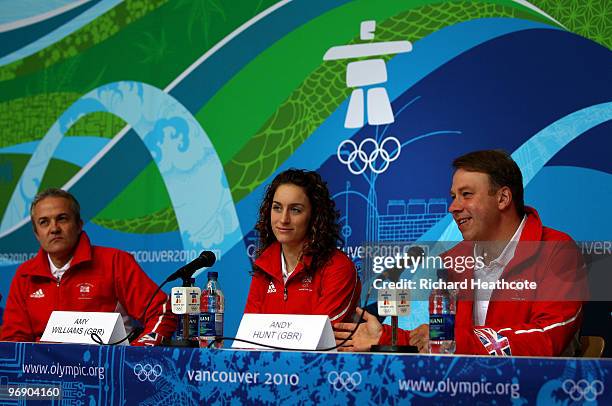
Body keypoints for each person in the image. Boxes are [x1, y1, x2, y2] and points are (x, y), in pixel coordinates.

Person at [335, 150, 585, 356]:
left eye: (466, 195)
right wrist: (386, 337)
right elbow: (442, 340)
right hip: (465, 388)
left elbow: (548, 337)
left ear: (503, 198)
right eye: (454, 197)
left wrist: (450, 338)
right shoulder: (453, 260)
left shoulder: (557, 251)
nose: (453, 207)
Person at [0, 188, 176, 345]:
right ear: (36, 233)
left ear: (79, 225)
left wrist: (134, 358)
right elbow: (13, 340)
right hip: (47, 375)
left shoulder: (115, 262)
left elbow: (162, 312)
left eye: (62, 219)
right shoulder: (25, 275)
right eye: (44, 222)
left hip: (106, 373)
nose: (54, 229)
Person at [244, 169, 360, 323]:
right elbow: (249, 337)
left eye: (295, 210)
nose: (284, 219)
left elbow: (318, 338)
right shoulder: (265, 266)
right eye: (277, 207)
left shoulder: (337, 267)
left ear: (314, 216)